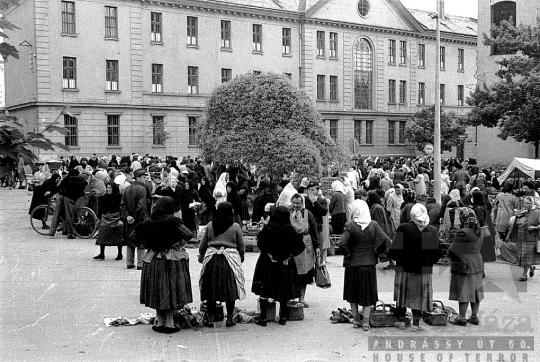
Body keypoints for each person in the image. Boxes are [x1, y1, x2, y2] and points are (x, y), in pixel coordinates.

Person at [134, 197, 194, 334]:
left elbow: (134, 236)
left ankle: (160, 322)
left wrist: (148, 243)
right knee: (171, 288)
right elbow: (188, 234)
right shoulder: (174, 221)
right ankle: (170, 323)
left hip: (153, 258)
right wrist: (177, 244)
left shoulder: (148, 221)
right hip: (171, 258)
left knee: (157, 290)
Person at [338, 200, 391, 331]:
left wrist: (348, 254)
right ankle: (366, 322)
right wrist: (378, 251)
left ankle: (356, 320)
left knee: (353, 293)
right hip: (368, 264)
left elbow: (341, 243)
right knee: (368, 293)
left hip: (352, 264)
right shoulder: (373, 225)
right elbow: (385, 239)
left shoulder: (350, 225)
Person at [389, 203, 442, 331]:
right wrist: (428, 262)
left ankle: (401, 321)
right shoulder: (431, 230)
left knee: (403, 293)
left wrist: (398, 258)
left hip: (404, 267)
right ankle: (416, 324)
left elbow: (394, 250)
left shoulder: (403, 228)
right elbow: (438, 253)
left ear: (412, 214)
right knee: (419, 295)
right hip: (423, 269)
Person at [252, 206, 306, 326]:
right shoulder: (290, 230)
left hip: (268, 262)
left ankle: (264, 318)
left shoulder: (268, 229)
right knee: (284, 289)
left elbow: (260, 243)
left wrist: (268, 253)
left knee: (265, 289)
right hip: (285, 263)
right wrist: (290, 255)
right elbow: (300, 246)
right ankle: (283, 317)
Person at [198, 202, 245, 327]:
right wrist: (241, 257)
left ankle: (211, 317)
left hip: (212, 261)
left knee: (211, 289)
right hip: (229, 261)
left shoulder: (209, 226)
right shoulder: (235, 227)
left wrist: (202, 256)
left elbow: (202, 247)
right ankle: (229, 318)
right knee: (230, 289)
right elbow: (241, 246)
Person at [448, 207, 484, 326]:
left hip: (464, 264)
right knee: (475, 291)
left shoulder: (463, 232)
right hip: (477, 263)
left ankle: (461, 318)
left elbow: (453, 250)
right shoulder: (479, 231)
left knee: (464, 291)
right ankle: (474, 316)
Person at [289, 193, 320, 307]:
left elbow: (314, 231)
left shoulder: (308, 214)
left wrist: (317, 246)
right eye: (294, 203)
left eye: (298, 203)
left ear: (302, 203)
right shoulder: (288, 213)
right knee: (292, 273)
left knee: (304, 274)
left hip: (306, 245)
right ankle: (291, 297)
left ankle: (301, 298)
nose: (296, 205)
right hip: (292, 245)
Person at [506, 196, 540, 282]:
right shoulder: (520, 213)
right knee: (521, 256)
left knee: (526, 256)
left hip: (531, 238)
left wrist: (534, 227)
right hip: (520, 237)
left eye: (528, 203)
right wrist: (508, 235)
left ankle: (524, 274)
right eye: (525, 203)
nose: (526, 205)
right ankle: (531, 267)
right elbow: (513, 225)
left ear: (532, 203)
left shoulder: (537, 212)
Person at [120, 169, 149, 270]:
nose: (145, 179)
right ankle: (140, 263)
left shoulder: (127, 189)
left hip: (129, 220)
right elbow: (141, 206)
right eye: (143, 177)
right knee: (141, 241)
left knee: (130, 239)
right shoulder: (142, 189)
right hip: (140, 219)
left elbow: (122, 205)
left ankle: (129, 262)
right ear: (138, 178)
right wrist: (135, 217)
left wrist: (127, 216)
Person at [48, 169, 88, 239]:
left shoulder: (67, 179)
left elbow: (58, 188)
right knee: (69, 215)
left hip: (64, 197)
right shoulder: (80, 181)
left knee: (57, 213)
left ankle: (52, 231)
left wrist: (51, 194)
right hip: (72, 199)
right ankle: (70, 232)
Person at [93, 183, 124, 261]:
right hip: (105, 217)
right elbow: (101, 207)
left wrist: (121, 219)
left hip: (116, 217)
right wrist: (99, 218)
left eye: (110, 188)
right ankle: (101, 253)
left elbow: (122, 208)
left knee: (117, 236)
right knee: (102, 235)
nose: (108, 190)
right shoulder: (105, 197)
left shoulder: (119, 197)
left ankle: (120, 254)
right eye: (107, 188)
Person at [305, 182, 329, 263]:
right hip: (307, 230)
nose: (310, 192)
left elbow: (324, 212)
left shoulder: (322, 200)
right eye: (309, 190)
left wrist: (315, 202)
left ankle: (319, 271)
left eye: (312, 190)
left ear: (317, 191)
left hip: (318, 229)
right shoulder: (305, 201)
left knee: (319, 253)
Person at [471, 190, 496, 263]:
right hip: (484, 231)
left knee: (479, 254)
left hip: (480, 232)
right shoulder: (482, 206)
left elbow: (480, 221)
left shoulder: (478, 208)